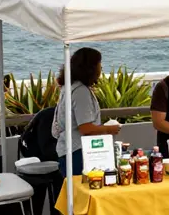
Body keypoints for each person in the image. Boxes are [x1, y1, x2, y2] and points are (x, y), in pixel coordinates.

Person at [52, 47, 121, 177]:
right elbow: (85, 127)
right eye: (100, 64)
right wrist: (108, 129)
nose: (101, 68)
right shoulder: (80, 92)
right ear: (91, 68)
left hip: (67, 149)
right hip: (79, 151)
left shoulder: (69, 87)